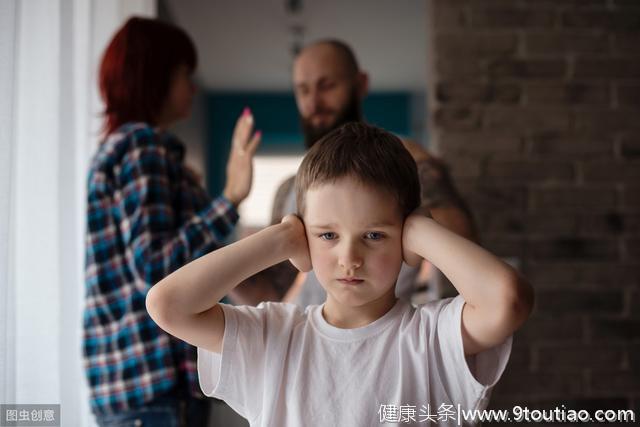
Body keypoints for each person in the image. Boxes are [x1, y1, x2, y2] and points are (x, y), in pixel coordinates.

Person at [146, 123, 534, 426]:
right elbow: (167, 305)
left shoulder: (430, 338)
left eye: (374, 235)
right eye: (327, 235)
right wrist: (280, 239)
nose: (350, 257)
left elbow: (508, 300)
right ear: (305, 234)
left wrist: (421, 231)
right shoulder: (274, 335)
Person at [83, 17, 260, 426]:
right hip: (152, 384)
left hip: (131, 386)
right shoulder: (142, 146)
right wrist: (230, 197)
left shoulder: (123, 149)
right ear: (156, 76)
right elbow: (157, 268)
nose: (193, 88)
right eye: (185, 74)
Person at [230, 39, 477, 307]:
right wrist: (229, 206)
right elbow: (273, 292)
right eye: (303, 90)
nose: (314, 103)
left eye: (327, 86)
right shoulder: (291, 189)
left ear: (360, 85)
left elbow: (463, 243)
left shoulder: (408, 163)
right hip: (313, 338)